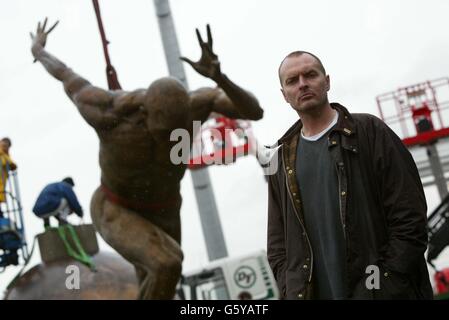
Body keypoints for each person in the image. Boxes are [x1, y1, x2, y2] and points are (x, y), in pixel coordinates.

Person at [30, 19, 263, 299]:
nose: (168, 141)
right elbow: (65, 75)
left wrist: (220, 77)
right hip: (116, 206)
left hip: (165, 207)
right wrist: (39, 49)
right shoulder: (109, 112)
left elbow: (254, 111)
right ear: (145, 114)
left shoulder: (198, 104)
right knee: (167, 264)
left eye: (175, 134)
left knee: (160, 281)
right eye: (162, 132)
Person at [267, 51, 433, 300]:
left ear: (327, 81)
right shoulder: (280, 161)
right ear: (284, 95)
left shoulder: (370, 132)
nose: (303, 83)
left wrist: (378, 287)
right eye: (292, 80)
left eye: (310, 75)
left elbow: (410, 219)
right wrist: (292, 290)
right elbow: (278, 246)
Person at [0, 137, 17, 218]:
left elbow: (13, 166)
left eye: (6, 146)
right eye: (3, 145)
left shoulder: (5, 156)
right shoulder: (3, 155)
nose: (4, 147)